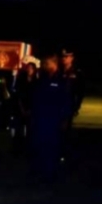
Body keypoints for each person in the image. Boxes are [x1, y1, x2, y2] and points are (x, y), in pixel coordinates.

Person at [29, 55, 73, 183]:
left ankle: (50, 172)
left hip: (54, 119)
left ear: (54, 64)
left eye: (47, 63)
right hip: (41, 118)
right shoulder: (42, 78)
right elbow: (36, 97)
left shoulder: (62, 80)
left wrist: (65, 118)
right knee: (40, 144)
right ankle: (40, 170)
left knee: (52, 146)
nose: (44, 66)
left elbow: (66, 100)